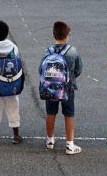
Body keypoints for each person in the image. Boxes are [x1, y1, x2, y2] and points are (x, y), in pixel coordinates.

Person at [40, 21, 83, 155]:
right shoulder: (72, 51)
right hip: (67, 88)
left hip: (50, 88)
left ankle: (50, 140)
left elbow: (40, 69)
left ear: (54, 35)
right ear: (68, 35)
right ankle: (70, 144)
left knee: (51, 113)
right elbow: (79, 69)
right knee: (69, 114)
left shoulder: (48, 51)